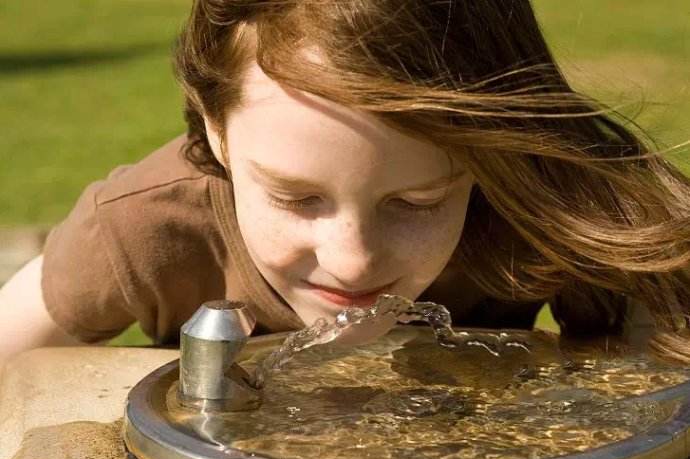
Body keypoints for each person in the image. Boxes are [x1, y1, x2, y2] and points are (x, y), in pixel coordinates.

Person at [1, 0, 688, 369]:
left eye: (418, 202)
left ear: (491, 154)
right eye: (296, 198)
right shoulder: (143, 227)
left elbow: (653, 391)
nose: (354, 260)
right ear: (217, 129)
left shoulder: (542, 206)